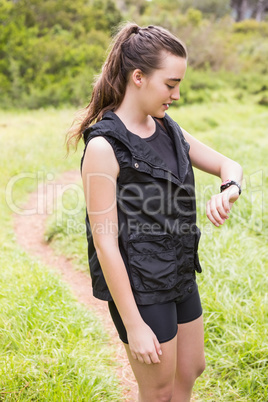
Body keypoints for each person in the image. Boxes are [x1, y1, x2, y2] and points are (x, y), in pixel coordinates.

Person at [68, 23, 243, 402]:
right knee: (159, 391)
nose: (177, 94)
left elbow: (229, 165)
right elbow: (105, 245)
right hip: (141, 287)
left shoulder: (168, 129)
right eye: (170, 84)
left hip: (179, 271)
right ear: (138, 77)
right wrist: (134, 323)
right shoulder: (104, 147)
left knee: (191, 368)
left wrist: (229, 190)